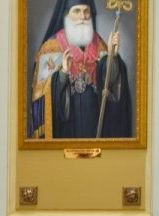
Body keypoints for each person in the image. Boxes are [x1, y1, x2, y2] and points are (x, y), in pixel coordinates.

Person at [31, 0, 132, 140]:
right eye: (77, 11)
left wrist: (112, 57)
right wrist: (62, 75)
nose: (83, 17)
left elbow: (112, 83)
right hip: (67, 125)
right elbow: (41, 99)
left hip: (95, 122)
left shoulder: (102, 45)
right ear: (66, 15)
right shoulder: (50, 49)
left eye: (86, 11)